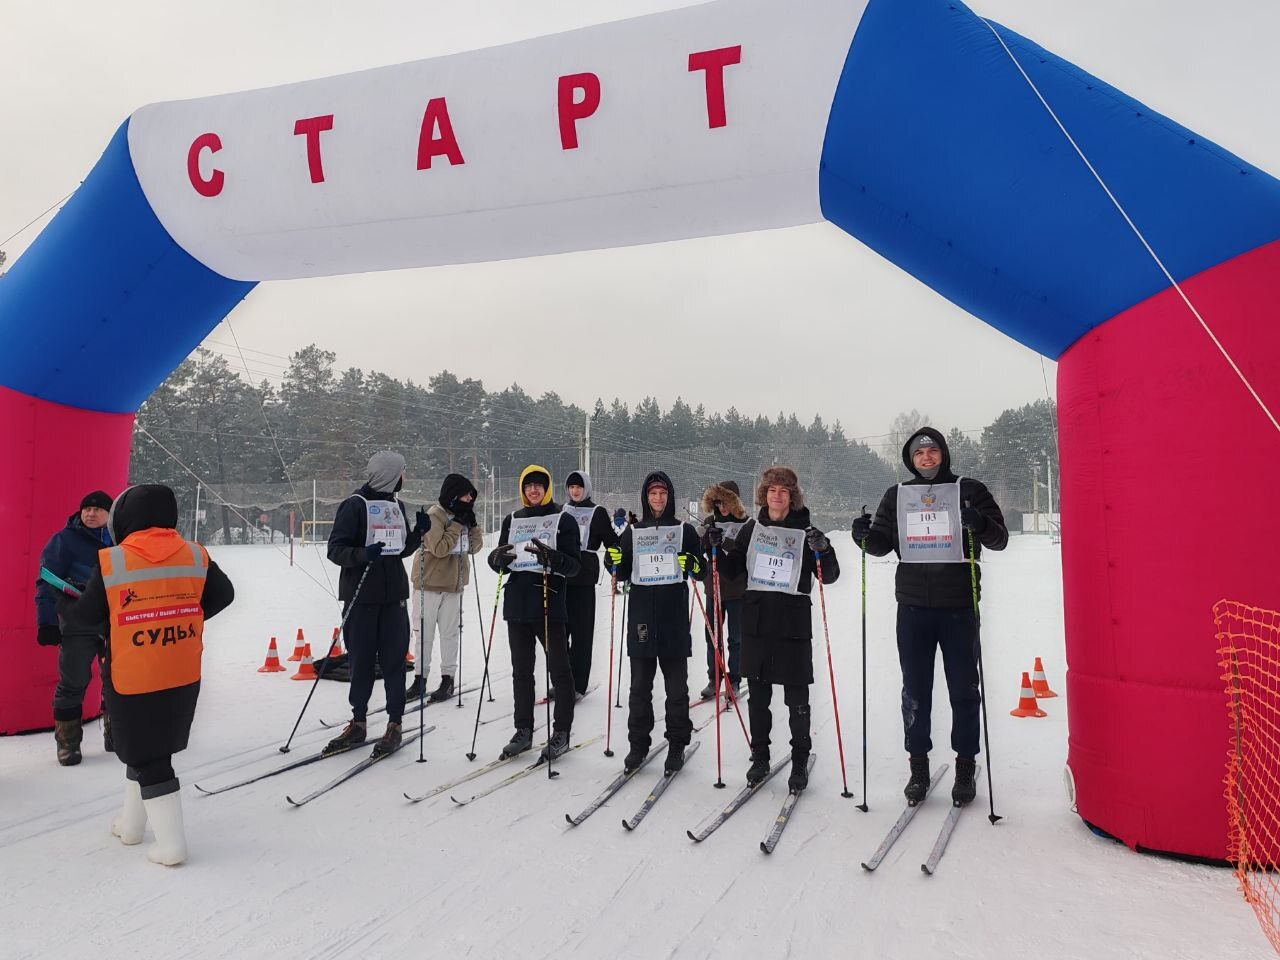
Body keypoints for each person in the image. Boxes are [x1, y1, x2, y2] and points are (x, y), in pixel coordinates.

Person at [58, 484, 234, 865]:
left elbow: (85, 618)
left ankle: (171, 846)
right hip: (182, 669)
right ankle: (132, 825)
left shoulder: (113, 561)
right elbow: (224, 595)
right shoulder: (195, 554)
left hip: (133, 675)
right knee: (145, 749)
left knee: (147, 754)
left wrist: (63, 604)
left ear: (125, 517)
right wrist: (182, 614)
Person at [852, 428, 1007, 805]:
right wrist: (862, 537)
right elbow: (881, 544)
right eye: (919, 452)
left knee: (964, 690)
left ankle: (965, 767)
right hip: (914, 608)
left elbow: (999, 539)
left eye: (933, 450)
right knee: (915, 691)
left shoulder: (969, 489)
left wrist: (979, 523)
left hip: (958, 607)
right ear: (910, 458)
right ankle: (918, 768)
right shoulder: (898, 495)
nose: (926, 457)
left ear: (944, 455)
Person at [717, 466, 838, 793]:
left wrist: (823, 550)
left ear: (792, 495)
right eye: (772, 489)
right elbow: (731, 571)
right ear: (764, 493)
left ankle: (799, 760)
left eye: (784, 490)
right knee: (758, 697)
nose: (777, 495)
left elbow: (830, 575)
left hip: (792, 625)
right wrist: (715, 546)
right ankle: (760, 756)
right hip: (756, 622)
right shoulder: (752, 529)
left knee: (797, 699)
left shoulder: (808, 530)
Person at [325, 451, 430, 758]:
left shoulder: (397, 505)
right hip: (361, 598)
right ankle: (358, 721)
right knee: (361, 661)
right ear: (390, 474)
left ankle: (395, 723)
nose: (404, 478)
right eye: (402, 473)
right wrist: (362, 554)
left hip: (393, 598)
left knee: (395, 661)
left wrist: (417, 534)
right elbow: (335, 549)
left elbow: (399, 551)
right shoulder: (355, 505)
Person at [606, 471, 704, 777]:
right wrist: (613, 562)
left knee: (676, 689)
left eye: (663, 494)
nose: (658, 499)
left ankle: (677, 743)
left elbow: (702, 570)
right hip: (642, 618)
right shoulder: (633, 532)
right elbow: (621, 573)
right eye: (653, 494)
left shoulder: (685, 530)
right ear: (645, 497)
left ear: (670, 496)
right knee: (639, 688)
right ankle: (638, 745)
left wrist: (695, 564)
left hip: (673, 617)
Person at [487, 465, 581, 761]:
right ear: (523, 489)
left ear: (548, 488)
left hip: (548, 602)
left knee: (560, 669)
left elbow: (575, 565)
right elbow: (501, 560)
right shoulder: (512, 519)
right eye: (529, 486)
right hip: (517, 604)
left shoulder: (563, 519)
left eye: (539, 485)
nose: (534, 490)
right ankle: (523, 730)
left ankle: (561, 732)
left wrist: (552, 558)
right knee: (521, 672)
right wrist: (495, 559)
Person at [35, 490, 114, 765]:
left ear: (110, 513)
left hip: (115, 622)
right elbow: (46, 581)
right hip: (77, 622)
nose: (91, 514)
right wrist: (46, 622)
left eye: (97, 509)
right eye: (86, 509)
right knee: (73, 682)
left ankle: (117, 735)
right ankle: (68, 744)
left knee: (118, 680)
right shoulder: (63, 540)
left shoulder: (122, 539)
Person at [406, 473, 484, 704]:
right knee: (424, 634)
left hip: (453, 584)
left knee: (450, 633)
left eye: (472, 495)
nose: (470, 499)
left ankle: (447, 678)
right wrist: (458, 524)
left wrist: (473, 525)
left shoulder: (464, 515)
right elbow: (439, 548)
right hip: (428, 584)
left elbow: (475, 547)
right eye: (466, 494)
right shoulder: (435, 514)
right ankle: (420, 679)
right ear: (454, 494)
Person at [560, 470, 620, 697]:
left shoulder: (597, 512)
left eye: (579, 487)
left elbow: (612, 541)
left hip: (584, 577)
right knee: (559, 634)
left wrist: (615, 555)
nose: (575, 491)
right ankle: (562, 679)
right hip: (562, 576)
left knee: (582, 633)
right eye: (571, 487)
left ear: (587, 488)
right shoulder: (561, 511)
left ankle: (577, 684)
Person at [696, 480, 749, 702]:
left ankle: (734, 678)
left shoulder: (745, 524)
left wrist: (724, 542)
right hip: (713, 588)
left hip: (737, 590)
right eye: (718, 502)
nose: (722, 507)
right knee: (712, 637)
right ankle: (714, 678)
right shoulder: (710, 521)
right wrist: (702, 538)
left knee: (736, 639)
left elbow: (745, 554)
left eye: (726, 502)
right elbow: (698, 548)